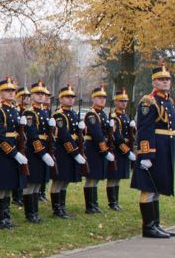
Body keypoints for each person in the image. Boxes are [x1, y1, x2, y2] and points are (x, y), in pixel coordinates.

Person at [131, 64, 175, 238]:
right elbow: (145, 130)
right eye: (161, 79)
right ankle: (148, 227)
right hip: (154, 150)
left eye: (167, 79)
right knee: (148, 187)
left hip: (165, 149)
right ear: (154, 82)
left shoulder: (167, 100)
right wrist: (146, 154)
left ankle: (155, 224)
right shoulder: (148, 101)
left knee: (157, 186)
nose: (165, 82)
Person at [0, 77, 28, 229]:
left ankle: (6, 215)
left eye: (12, 91)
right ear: (1, 92)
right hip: (3, 153)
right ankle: (0, 219)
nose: (11, 93)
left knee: (10, 185)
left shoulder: (15, 110)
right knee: (2, 187)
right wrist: (13, 152)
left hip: (15, 149)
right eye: (7, 90)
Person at [19, 81, 56, 223]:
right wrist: (42, 153)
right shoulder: (29, 113)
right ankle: (30, 214)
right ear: (32, 95)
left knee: (37, 184)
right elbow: (33, 135)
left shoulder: (45, 112)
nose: (41, 96)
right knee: (31, 184)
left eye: (43, 94)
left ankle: (35, 212)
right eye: (38, 94)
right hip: (34, 153)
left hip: (44, 151)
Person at [51, 84, 85, 219]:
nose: (70, 99)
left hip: (73, 150)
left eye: (72, 97)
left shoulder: (73, 114)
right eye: (67, 97)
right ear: (60, 99)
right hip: (62, 151)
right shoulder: (59, 115)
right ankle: (56, 209)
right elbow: (64, 136)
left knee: (65, 181)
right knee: (58, 181)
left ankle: (62, 206)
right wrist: (75, 152)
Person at [82, 86, 115, 214]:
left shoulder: (103, 114)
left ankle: (94, 204)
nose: (102, 100)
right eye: (99, 97)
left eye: (104, 98)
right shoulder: (92, 114)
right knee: (91, 177)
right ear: (94, 98)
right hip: (93, 148)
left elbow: (105, 132)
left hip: (100, 148)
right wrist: (105, 151)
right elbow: (97, 134)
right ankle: (90, 206)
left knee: (96, 178)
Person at [107, 88, 135, 210]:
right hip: (117, 150)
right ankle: (112, 203)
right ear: (115, 102)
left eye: (125, 101)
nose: (124, 103)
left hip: (125, 149)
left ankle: (116, 201)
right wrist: (127, 151)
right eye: (121, 100)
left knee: (118, 178)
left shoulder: (125, 116)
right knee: (113, 176)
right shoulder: (114, 117)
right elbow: (117, 137)